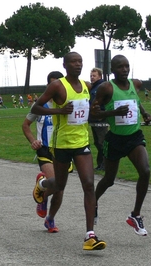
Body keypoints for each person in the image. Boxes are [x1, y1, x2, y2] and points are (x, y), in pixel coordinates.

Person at [31, 52, 106, 251]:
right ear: (65, 65)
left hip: (81, 142)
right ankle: (42, 184)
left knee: (89, 184)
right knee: (60, 184)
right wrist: (59, 111)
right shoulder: (57, 86)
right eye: (73, 61)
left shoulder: (86, 86)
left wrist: (94, 111)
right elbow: (37, 107)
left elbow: (86, 111)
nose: (77, 65)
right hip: (61, 143)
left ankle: (90, 235)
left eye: (80, 61)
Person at [90, 54, 151, 236]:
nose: (124, 70)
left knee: (145, 171)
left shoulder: (136, 84)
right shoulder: (106, 88)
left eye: (126, 66)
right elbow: (95, 112)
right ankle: (93, 202)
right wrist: (114, 112)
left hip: (134, 137)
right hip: (115, 139)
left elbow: (137, 103)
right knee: (109, 180)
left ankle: (135, 215)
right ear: (112, 70)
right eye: (120, 67)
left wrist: (145, 113)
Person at [22, 71, 64, 225]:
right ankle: (42, 191)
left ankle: (50, 218)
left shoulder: (66, 104)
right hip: (44, 150)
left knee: (60, 189)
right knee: (56, 182)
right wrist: (33, 141)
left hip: (63, 149)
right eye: (53, 84)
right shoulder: (39, 104)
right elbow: (25, 125)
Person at [89, 67, 108, 171]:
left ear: (99, 76)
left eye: (94, 75)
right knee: (97, 142)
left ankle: (105, 164)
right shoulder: (93, 87)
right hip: (94, 119)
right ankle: (100, 164)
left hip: (100, 119)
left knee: (102, 142)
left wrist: (102, 115)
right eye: (91, 76)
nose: (92, 77)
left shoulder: (101, 87)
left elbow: (105, 102)